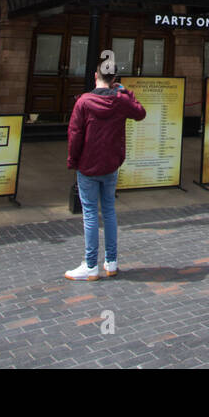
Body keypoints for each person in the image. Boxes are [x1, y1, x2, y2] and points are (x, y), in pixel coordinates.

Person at [65, 68, 146, 280]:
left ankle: (91, 265)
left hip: (88, 165)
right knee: (109, 211)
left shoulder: (83, 102)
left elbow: (74, 134)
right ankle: (111, 262)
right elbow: (140, 112)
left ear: (95, 76)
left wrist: (73, 160)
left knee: (90, 213)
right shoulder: (120, 101)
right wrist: (126, 92)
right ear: (114, 80)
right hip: (110, 164)